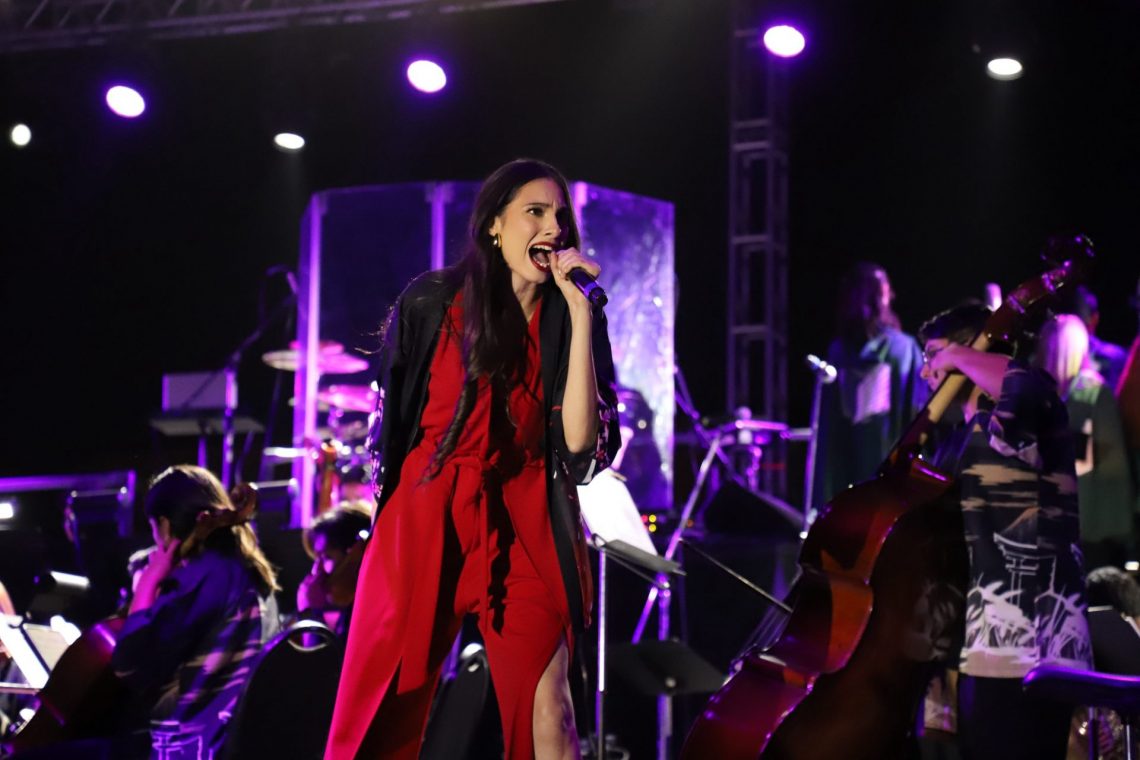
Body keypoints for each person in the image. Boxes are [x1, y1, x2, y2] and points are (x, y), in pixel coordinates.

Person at [324, 159, 621, 760]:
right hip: (428, 510)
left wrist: (582, 313)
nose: (554, 227)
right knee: (382, 711)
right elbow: (398, 421)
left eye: (561, 216)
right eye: (535, 212)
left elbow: (579, 446)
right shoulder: (433, 302)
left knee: (550, 708)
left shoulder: (570, 316)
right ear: (494, 225)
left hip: (525, 519)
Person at [917, 303, 1093, 760]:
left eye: (933, 355)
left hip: (1038, 644)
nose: (926, 370)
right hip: (985, 646)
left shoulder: (1031, 396)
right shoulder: (959, 439)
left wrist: (960, 356)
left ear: (973, 347)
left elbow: (1022, 388)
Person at [110, 465, 281, 759]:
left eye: (154, 529)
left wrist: (147, 584)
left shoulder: (201, 579)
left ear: (165, 526)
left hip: (194, 748)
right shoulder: (253, 572)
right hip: (241, 743)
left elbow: (129, 665)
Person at [812, 262, 927, 509]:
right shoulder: (903, 350)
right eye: (886, 290)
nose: (892, 296)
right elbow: (920, 413)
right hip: (890, 476)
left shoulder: (838, 351)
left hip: (851, 476)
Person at [1035, 314, 1137, 568]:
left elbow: (1079, 460)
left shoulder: (1086, 394)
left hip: (1087, 522)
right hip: (1081, 521)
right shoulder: (1072, 393)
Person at [297, 501, 371, 636]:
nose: (317, 570)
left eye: (327, 557)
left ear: (357, 552)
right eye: (317, 558)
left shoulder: (371, 612)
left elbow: (322, 651)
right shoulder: (348, 614)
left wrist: (312, 613)